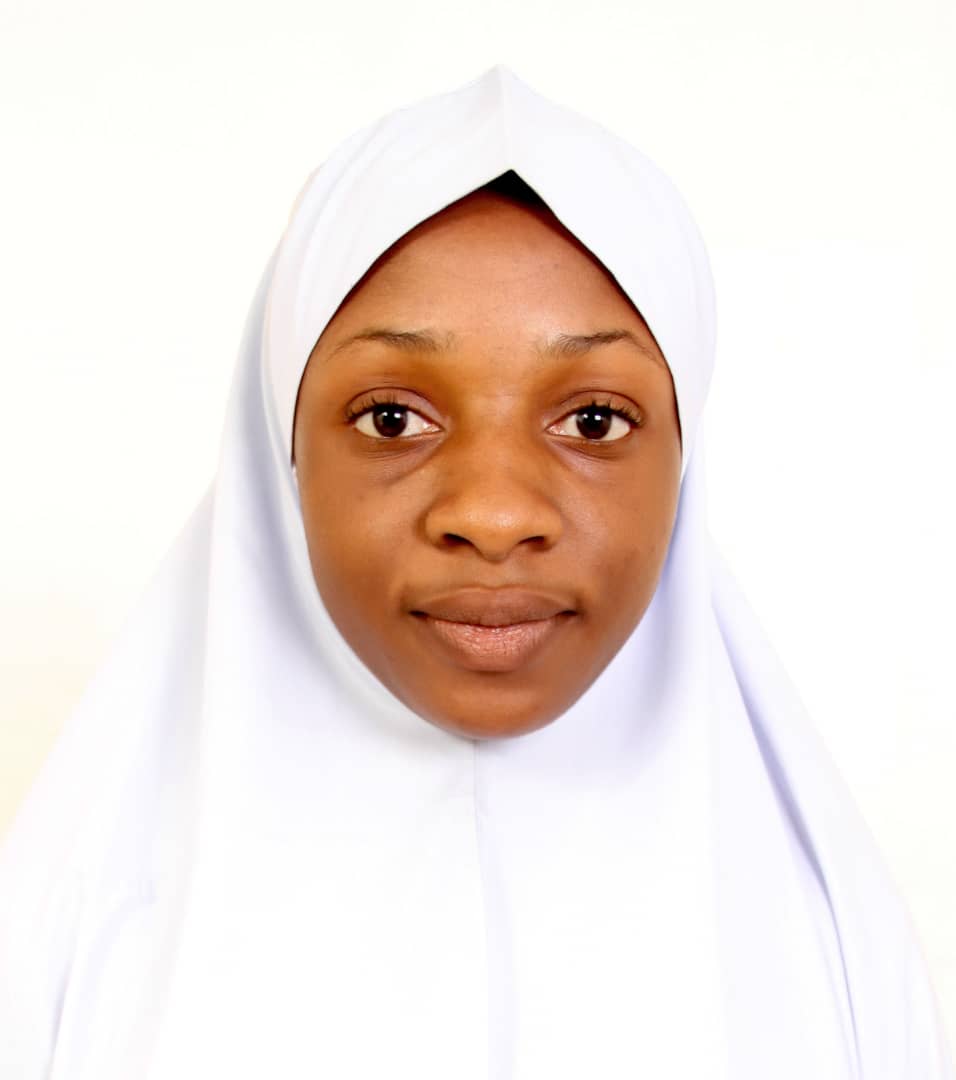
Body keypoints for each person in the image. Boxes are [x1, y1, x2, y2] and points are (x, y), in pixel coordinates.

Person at [0, 64, 951, 1079]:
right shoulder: (69, 944)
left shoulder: (834, 947)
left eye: (594, 421)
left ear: (686, 456)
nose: (494, 516)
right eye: (391, 418)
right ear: (280, 454)